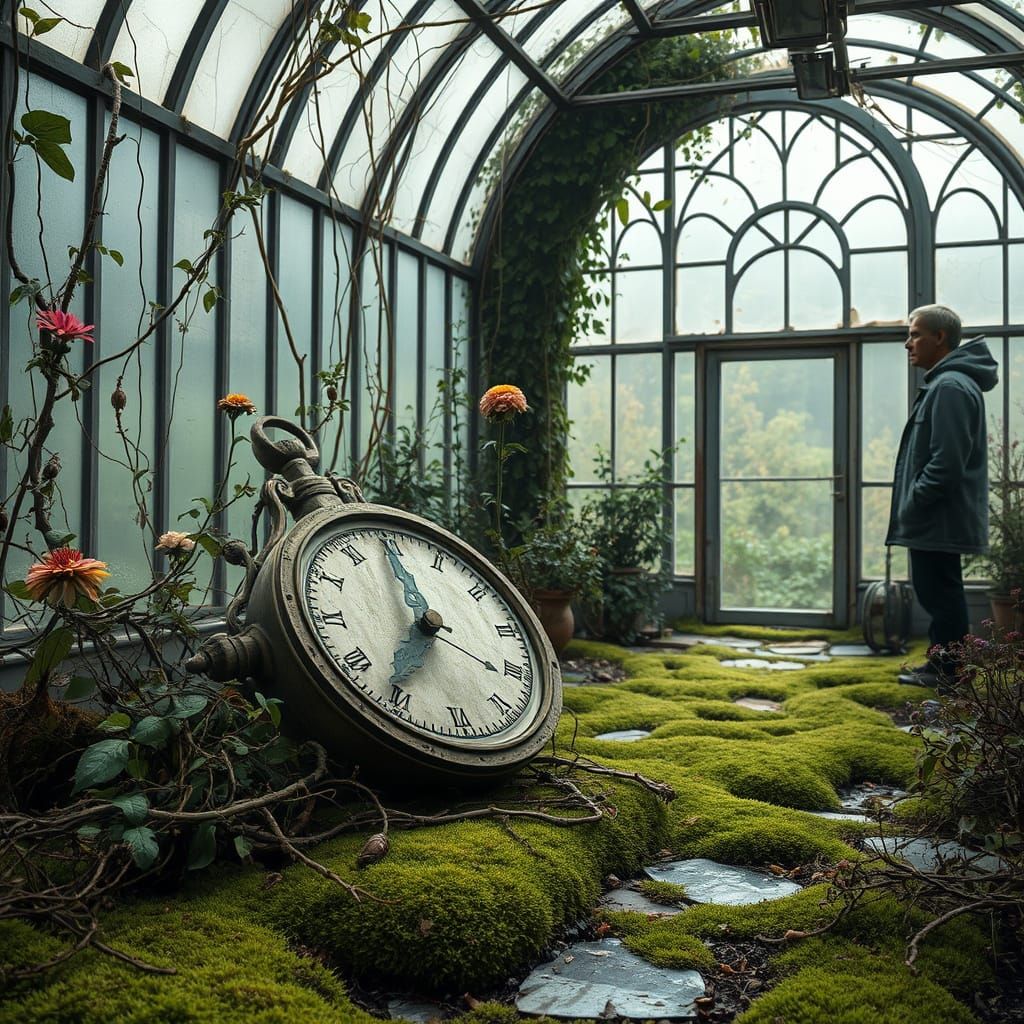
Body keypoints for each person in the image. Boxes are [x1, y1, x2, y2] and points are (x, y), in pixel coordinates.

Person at [886, 304, 998, 688]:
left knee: (941, 592)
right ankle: (943, 667)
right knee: (939, 590)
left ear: (939, 337)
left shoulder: (950, 387)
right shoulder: (945, 384)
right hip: (937, 516)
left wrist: (916, 500)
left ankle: (949, 672)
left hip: (937, 516)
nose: (907, 344)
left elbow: (946, 462)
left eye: (915, 334)